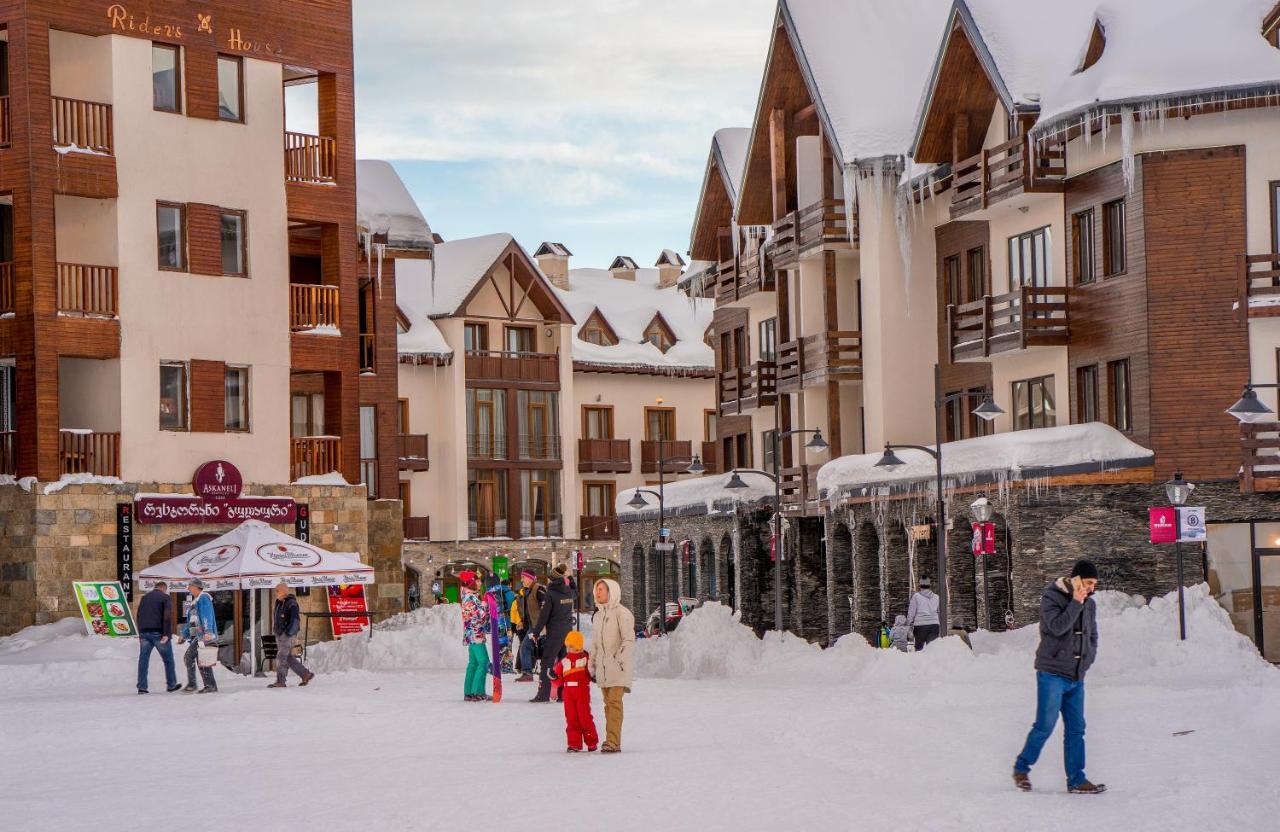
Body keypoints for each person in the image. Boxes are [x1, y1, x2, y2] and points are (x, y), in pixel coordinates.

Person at [1012, 559, 1106, 795]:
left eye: (1094, 584)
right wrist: (1075, 602)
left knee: (1076, 728)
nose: (1092, 588)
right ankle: (1021, 768)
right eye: (1088, 582)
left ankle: (1077, 780)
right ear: (1075, 580)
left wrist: (1087, 659)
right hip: (1052, 673)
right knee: (1045, 725)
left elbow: (1092, 635)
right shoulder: (1051, 598)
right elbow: (1056, 627)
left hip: (1076, 676)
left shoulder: (1090, 604)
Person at [588, 578, 634, 753]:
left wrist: (619, 658)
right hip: (603, 668)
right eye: (596, 589)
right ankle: (612, 739)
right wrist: (592, 663)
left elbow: (628, 639)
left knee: (614, 702)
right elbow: (595, 643)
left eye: (601, 589)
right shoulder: (598, 616)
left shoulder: (622, 613)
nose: (597, 592)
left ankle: (612, 741)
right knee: (608, 704)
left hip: (617, 668)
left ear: (611, 592)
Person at [527, 562, 575, 703]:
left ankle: (543, 694)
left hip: (554, 633)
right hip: (567, 633)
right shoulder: (568, 591)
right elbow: (576, 592)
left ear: (552, 579)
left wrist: (535, 632)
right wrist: (571, 579)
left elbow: (544, 616)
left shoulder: (551, 594)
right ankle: (563, 694)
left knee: (547, 663)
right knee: (563, 664)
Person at [548, 630, 598, 752]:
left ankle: (591, 741)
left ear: (578, 646)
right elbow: (558, 681)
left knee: (584, 717)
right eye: (568, 646)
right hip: (568, 693)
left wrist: (594, 676)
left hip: (582, 692)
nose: (570, 649)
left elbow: (592, 673)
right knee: (571, 718)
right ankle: (574, 744)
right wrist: (554, 677)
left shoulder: (586, 659)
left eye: (573, 646)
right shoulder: (564, 662)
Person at [136, 581, 181, 694]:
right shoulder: (165, 598)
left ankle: (142, 687)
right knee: (168, 660)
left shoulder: (144, 598)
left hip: (144, 633)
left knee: (143, 660)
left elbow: (139, 614)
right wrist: (166, 634)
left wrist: (140, 631)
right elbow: (167, 616)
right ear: (164, 589)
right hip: (158, 633)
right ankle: (171, 685)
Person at [268, 582, 314, 689]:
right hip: (280, 634)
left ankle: (281, 681)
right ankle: (305, 674)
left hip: (287, 635)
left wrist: (287, 633)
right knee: (287, 657)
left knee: (281, 656)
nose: (276, 593)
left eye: (277, 591)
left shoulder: (291, 603)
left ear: (284, 591)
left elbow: (295, 621)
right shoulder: (279, 602)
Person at [178, 578, 218, 693]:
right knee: (202, 659)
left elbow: (207, 615)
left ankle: (194, 684)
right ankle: (210, 685)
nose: (188, 588)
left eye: (190, 586)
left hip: (203, 635)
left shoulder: (203, 598)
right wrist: (183, 635)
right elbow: (191, 621)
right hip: (197, 635)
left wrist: (208, 631)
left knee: (189, 657)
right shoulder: (195, 601)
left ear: (196, 587)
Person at [459, 571, 490, 701]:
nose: (480, 583)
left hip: (472, 635)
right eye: (477, 581)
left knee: (473, 663)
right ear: (471, 583)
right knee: (483, 662)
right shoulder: (471, 598)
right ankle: (477, 692)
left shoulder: (468, 596)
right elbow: (481, 618)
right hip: (476, 635)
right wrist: (485, 604)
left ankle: (469, 692)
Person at [513, 570, 546, 683]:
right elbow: (528, 611)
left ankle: (528, 673)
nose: (521, 580)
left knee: (525, 647)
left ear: (530, 578)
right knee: (530, 648)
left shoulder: (538, 589)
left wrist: (543, 622)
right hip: (532, 625)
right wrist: (522, 621)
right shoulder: (527, 591)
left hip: (539, 626)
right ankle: (530, 672)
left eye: (523, 577)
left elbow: (546, 605)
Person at [907, 576, 941, 651]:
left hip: (920, 626)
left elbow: (911, 612)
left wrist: (908, 623)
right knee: (933, 649)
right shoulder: (936, 597)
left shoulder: (916, 597)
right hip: (934, 625)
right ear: (929, 585)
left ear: (920, 585)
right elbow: (939, 611)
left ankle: (919, 662)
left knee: (919, 648)